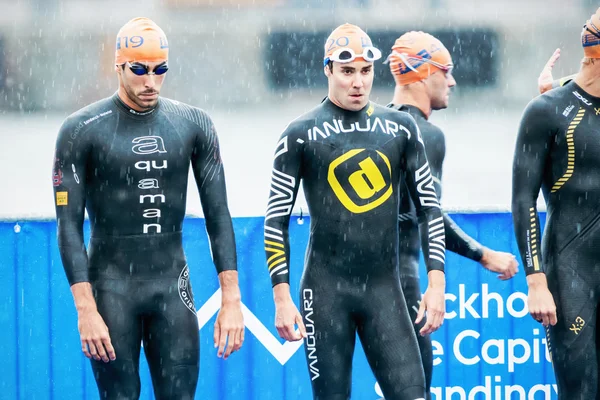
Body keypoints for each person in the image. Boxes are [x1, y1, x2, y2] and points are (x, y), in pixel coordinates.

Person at [52, 17, 244, 400]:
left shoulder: (193, 124)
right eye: (138, 70)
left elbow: (218, 216)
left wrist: (232, 299)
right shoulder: (80, 130)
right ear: (118, 66)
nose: (150, 82)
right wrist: (85, 310)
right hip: (111, 288)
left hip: (172, 286)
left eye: (160, 70)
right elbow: (68, 226)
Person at [263, 23, 446, 400]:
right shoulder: (299, 133)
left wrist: (437, 284)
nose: (358, 83)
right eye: (347, 72)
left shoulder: (401, 128)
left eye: (365, 71)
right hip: (325, 290)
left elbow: (430, 209)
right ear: (328, 69)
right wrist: (282, 298)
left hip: (384, 289)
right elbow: (276, 220)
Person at [384, 31, 519, 398]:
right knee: (414, 392)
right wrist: (484, 254)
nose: (453, 81)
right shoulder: (425, 134)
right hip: (402, 280)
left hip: (357, 283)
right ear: (424, 73)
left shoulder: (373, 127)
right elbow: (428, 217)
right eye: (447, 70)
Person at [512, 7, 600, 399]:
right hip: (570, 270)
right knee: (580, 391)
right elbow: (521, 200)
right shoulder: (546, 112)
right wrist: (535, 282)